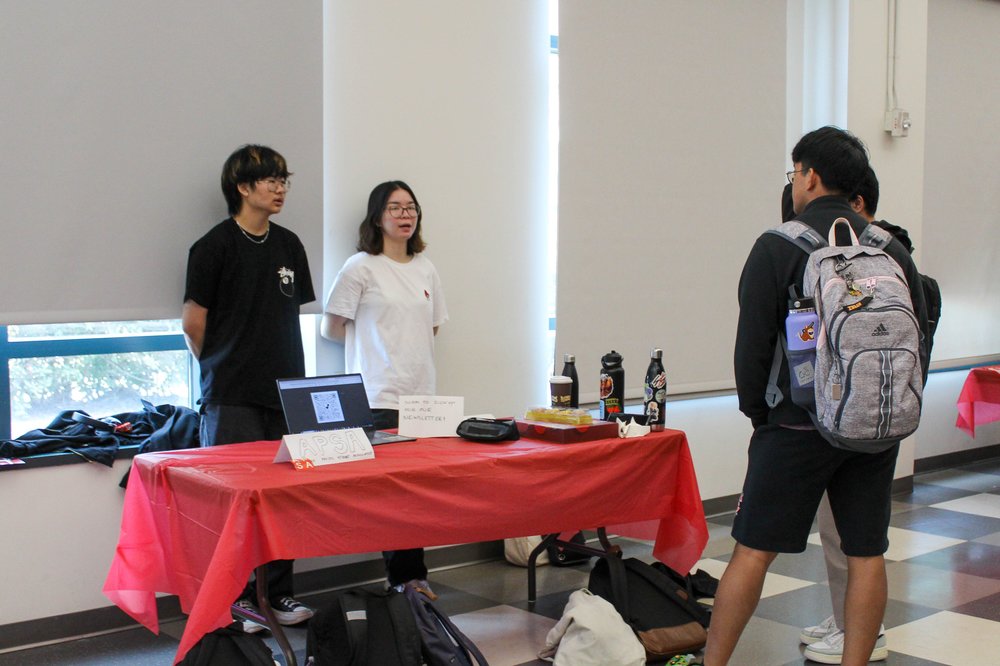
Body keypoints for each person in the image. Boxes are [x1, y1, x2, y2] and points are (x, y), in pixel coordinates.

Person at [703, 127, 929, 666]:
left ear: (809, 175)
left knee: (753, 552)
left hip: (795, 424)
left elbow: (752, 347)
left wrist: (761, 416)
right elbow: (918, 330)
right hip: (874, 428)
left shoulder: (777, 246)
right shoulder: (890, 248)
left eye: (795, 171)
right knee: (867, 554)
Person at [800, 165, 941, 662]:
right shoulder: (912, 281)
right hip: (885, 419)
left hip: (847, 418)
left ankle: (859, 629)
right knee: (851, 539)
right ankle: (847, 620)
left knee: (852, 541)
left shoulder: (858, 265)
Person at [182, 144, 316, 632]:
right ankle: (237, 600)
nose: (280, 188)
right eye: (270, 180)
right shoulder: (213, 246)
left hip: (286, 394)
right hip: (231, 397)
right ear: (242, 187)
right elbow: (193, 324)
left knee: (284, 500)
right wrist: (226, 368)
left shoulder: (289, 245)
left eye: (284, 179)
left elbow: (286, 317)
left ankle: (277, 595)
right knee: (233, 502)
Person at [321, 180, 448, 598]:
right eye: (394, 208)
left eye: (410, 207)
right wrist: (373, 350)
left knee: (420, 493)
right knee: (393, 495)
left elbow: (431, 327)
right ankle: (403, 579)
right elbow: (331, 327)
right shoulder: (360, 266)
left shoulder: (426, 267)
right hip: (377, 395)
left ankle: (415, 576)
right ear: (378, 217)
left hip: (422, 397)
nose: (405, 215)